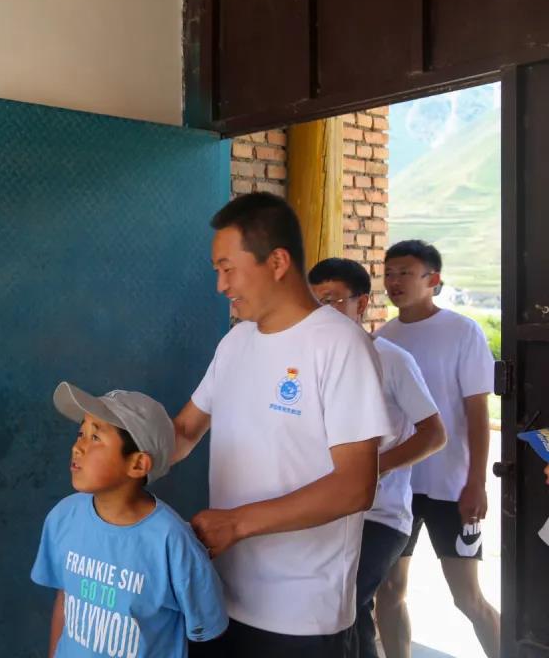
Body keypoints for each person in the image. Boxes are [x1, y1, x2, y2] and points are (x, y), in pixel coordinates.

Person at [173, 192, 392, 657]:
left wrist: (236, 524)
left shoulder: (339, 345)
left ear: (276, 261)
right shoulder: (235, 343)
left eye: (228, 269)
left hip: (300, 616)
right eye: (217, 271)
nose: (221, 285)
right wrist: (120, 451)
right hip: (220, 598)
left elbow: (355, 486)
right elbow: (185, 431)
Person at [308, 257, 447, 657]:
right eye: (314, 302)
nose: (321, 312)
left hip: (379, 515)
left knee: (348, 607)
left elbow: (434, 434)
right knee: (331, 614)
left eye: (332, 300)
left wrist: (372, 468)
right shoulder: (310, 362)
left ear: (362, 303)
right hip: (325, 511)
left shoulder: (392, 360)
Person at [31, 382, 228, 657]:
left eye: (95, 437)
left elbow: (207, 630)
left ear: (138, 464)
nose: (77, 447)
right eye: (81, 433)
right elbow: (65, 599)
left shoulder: (172, 541)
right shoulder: (64, 517)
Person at [373, 240, 499, 658]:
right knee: (389, 590)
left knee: (467, 597)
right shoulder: (382, 339)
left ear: (434, 279)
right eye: (389, 273)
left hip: (451, 486)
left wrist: (476, 483)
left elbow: (477, 413)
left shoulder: (463, 331)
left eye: (405, 273)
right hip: (398, 488)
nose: (394, 281)